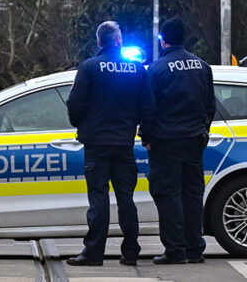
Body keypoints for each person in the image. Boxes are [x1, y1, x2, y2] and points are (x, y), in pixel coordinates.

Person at [65, 21, 152, 267]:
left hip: (96, 144)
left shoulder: (89, 67)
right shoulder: (136, 69)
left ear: (98, 42)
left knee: (98, 197)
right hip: (124, 143)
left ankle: (93, 252)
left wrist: (80, 123)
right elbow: (147, 106)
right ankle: (131, 251)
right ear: (119, 40)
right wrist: (141, 132)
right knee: (126, 197)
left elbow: (75, 104)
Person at [142, 18, 215, 264]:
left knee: (168, 194)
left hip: (166, 142)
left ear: (163, 40)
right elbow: (210, 105)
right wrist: (202, 131)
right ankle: (195, 248)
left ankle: (175, 250)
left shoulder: (158, 68)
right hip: (194, 141)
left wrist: (147, 138)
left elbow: (148, 109)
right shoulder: (202, 66)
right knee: (193, 194)